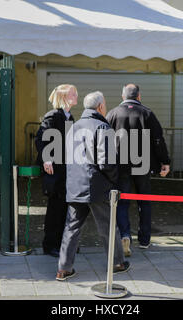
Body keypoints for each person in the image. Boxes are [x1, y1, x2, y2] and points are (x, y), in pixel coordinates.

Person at [56, 91, 129, 281]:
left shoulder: (74, 127)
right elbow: (107, 162)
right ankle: (117, 263)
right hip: (97, 186)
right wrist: (113, 181)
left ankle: (63, 269)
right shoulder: (103, 127)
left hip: (75, 185)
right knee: (108, 227)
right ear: (100, 107)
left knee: (71, 228)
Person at [106, 84, 170, 257]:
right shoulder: (147, 114)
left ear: (122, 96)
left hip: (121, 166)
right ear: (139, 96)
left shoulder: (112, 114)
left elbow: (104, 140)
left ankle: (125, 235)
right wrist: (165, 162)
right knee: (144, 201)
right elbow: (158, 140)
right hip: (143, 166)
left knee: (122, 202)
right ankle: (144, 239)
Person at [34, 84, 78, 257]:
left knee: (64, 208)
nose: (76, 96)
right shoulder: (53, 116)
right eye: (73, 94)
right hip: (56, 172)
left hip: (66, 170)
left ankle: (62, 243)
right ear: (64, 98)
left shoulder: (69, 117)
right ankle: (50, 244)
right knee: (55, 209)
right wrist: (47, 159)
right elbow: (41, 138)